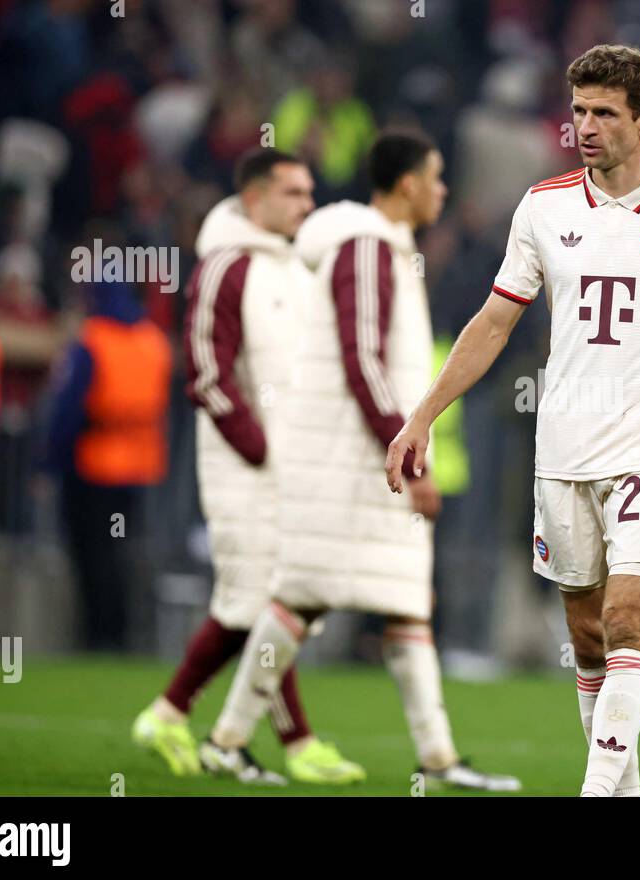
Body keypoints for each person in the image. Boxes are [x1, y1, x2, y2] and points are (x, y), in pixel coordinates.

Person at [385, 45, 640, 797]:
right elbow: (495, 323)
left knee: (631, 618)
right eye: (579, 111)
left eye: (604, 113)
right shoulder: (544, 207)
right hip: (562, 446)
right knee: (589, 637)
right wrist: (422, 415)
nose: (585, 127)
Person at [204, 132, 521, 791]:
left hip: (350, 457)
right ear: (407, 184)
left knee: (380, 600)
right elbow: (364, 359)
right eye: (435, 178)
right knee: (317, 596)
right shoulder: (368, 246)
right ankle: (229, 739)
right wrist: (411, 456)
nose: (442, 190)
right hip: (350, 463)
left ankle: (432, 758)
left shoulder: (381, 247)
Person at [131, 148, 364, 786]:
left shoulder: (295, 269)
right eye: (294, 193)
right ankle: (290, 740)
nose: (307, 204)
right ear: (254, 198)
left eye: (310, 192)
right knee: (263, 601)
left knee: (269, 604)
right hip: (242, 467)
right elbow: (206, 373)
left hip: (293, 467)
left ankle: (175, 713)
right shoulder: (226, 265)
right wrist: (260, 447)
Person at [45, 278, 170, 651]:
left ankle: (99, 633)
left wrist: (49, 462)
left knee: (93, 554)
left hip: (94, 468)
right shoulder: (153, 341)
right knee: (120, 549)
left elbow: (68, 412)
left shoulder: (93, 340)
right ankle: (121, 631)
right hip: (136, 471)